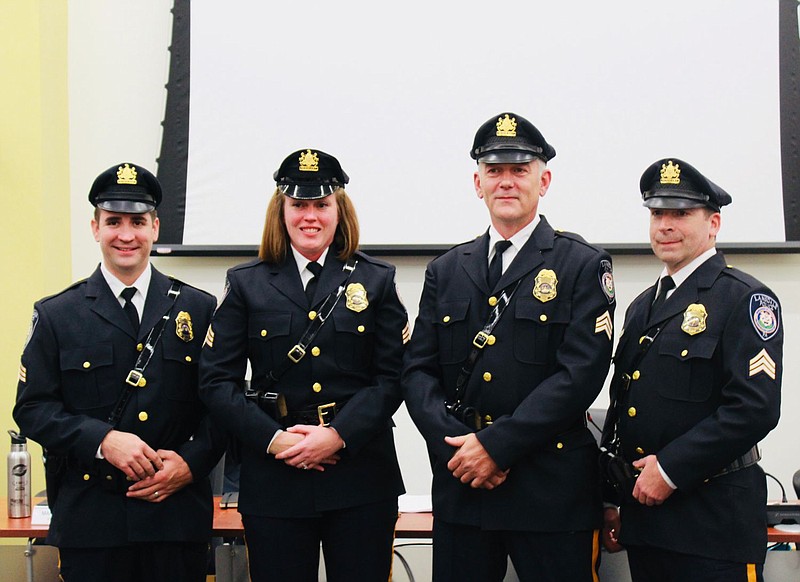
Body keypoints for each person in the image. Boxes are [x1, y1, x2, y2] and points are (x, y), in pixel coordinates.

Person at [401, 112, 617, 581]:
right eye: (494, 171)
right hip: (464, 486)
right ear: (477, 183)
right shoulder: (447, 269)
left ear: (545, 180)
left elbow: (579, 375)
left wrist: (495, 448)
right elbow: (418, 372)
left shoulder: (581, 264)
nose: (506, 182)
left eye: (519, 170)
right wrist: (454, 449)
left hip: (549, 489)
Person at [198, 149, 407, 582]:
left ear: (338, 210)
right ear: (282, 211)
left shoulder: (376, 280)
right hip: (274, 477)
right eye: (298, 205)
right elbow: (217, 382)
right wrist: (274, 440)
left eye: (321, 205)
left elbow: (392, 378)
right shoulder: (246, 283)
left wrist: (336, 436)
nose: (309, 216)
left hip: (360, 477)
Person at [14, 163, 225, 582]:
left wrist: (190, 462)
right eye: (113, 221)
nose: (126, 235)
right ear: (95, 228)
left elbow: (223, 404)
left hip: (175, 520)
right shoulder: (57, 314)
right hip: (93, 523)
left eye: (137, 222)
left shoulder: (198, 309)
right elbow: (33, 409)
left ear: (155, 228)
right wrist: (103, 440)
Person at [600, 158, 782, 582]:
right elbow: (624, 405)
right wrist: (612, 497)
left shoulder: (746, 299)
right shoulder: (643, 305)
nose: (665, 225)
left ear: (714, 223)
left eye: (681, 214)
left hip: (713, 524)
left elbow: (753, 409)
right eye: (657, 213)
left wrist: (669, 470)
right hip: (648, 521)